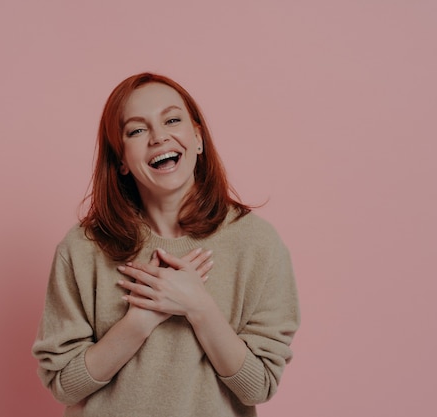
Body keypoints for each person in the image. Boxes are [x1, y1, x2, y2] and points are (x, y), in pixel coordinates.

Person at [32, 72, 300, 417]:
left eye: (172, 120)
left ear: (198, 138)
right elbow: (64, 385)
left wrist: (198, 306)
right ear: (122, 161)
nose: (159, 137)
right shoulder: (83, 248)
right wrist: (141, 319)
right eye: (137, 130)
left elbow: (258, 386)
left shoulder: (257, 244)